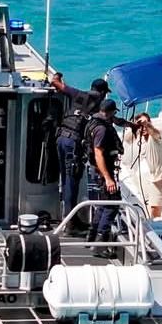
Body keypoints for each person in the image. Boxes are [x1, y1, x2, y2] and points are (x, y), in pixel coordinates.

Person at [49, 73, 109, 225]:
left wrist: (57, 77)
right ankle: (70, 223)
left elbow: (56, 83)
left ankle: (69, 217)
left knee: (65, 179)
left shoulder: (77, 94)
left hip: (61, 138)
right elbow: (108, 119)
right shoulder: (100, 105)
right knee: (72, 181)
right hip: (73, 143)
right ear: (102, 93)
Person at [84, 100, 125, 254]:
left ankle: (91, 237)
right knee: (112, 204)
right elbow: (98, 153)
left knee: (102, 203)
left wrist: (132, 125)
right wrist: (108, 178)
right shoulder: (101, 129)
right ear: (110, 112)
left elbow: (117, 121)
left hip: (98, 170)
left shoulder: (94, 121)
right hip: (103, 170)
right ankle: (100, 245)